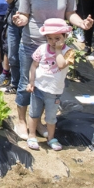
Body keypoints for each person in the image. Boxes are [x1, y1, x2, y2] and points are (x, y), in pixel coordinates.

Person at [10, 0, 93, 139]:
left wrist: (81, 23)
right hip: (32, 42)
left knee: (49, 84)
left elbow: (69, 12)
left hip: (56, 46)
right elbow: (24, 13)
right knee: (27, 82)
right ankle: (22, 121)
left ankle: (38, 122)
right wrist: (21, 19)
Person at [26, 19, 72, 152]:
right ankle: (32, 135)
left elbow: (61, 64)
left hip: (54, 91)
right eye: (49, 38)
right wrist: (31, 82)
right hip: (39, 88)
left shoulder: (68, 52)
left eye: (57, 38)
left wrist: (58, 51)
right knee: (34, 113)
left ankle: (51, 138)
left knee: (51, 117)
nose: (53, 41)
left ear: (65, 36)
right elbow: (33, 66)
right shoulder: (41, 49)